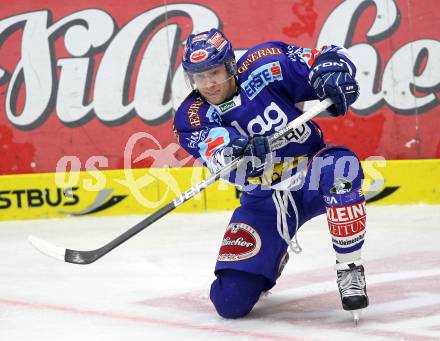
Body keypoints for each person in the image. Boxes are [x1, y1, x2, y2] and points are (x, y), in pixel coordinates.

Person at [173, 28, 368, 320]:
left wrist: (335, 73)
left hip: (312, 171)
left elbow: (330, 57)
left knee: (341, 170)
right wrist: (240, 152)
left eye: (213, 72)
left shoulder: (264, 63)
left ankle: (350, 270)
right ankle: (271, 257)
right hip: (264, 200)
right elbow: (216, 153)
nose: (208, 84)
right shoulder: (191, 117)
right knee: (230, 302)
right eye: (199, 76)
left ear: (229, 65)